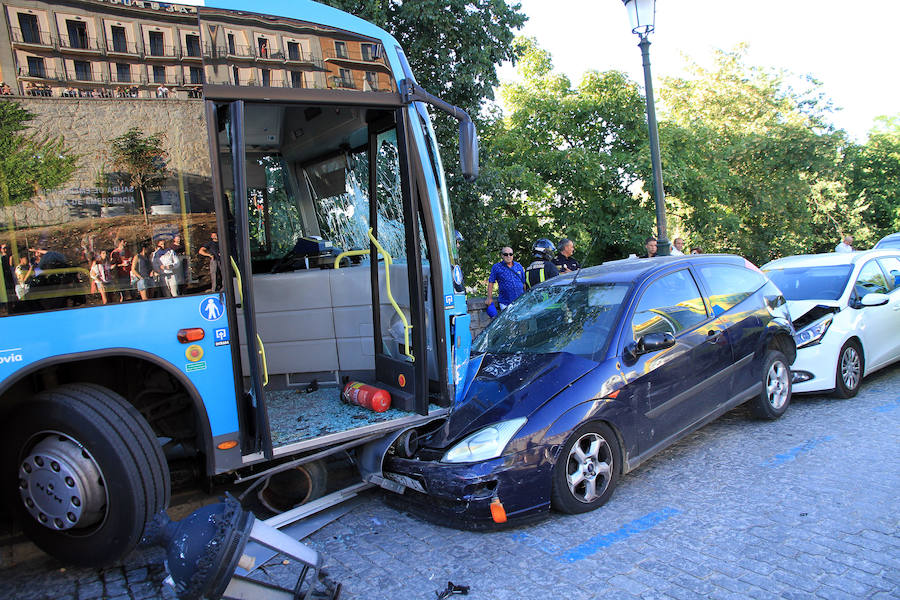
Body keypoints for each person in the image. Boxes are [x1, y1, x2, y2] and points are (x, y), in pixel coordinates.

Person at [485, 246, 525, 311]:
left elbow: (523, 282)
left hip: (520, 302)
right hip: (506, 303)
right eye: (506, 254)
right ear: (502, 256)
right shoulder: (496, 267)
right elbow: (491, 282)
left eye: (510, 254)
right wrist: (489, 298)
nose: (508, 256)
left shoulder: (518, 266)